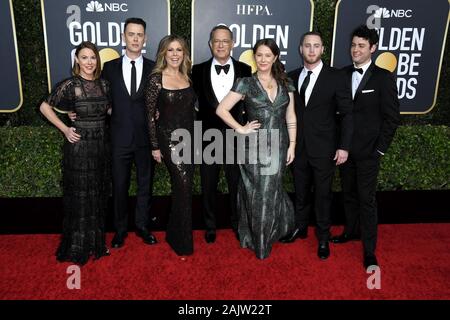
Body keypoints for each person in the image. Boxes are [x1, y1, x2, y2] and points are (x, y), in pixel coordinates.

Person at [216, 38, 296, 259]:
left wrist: (293, 145)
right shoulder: (245, 83)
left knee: (271, 190)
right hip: (254, 147)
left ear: (275, 58)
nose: (263, 59)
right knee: (257, 192)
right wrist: (240, 128)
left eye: (267, 55)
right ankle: (259, 241)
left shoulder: (286, 83)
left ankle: (269, 233)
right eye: (259, 55)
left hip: (279, 146)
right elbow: (222, 110)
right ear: (255, 56)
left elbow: (291, 116)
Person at [330, 25, 400, 269]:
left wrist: (379, 150)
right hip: (344, 151)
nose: (355, 50)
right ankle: (351, 231)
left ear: (373, 48)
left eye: (361, 46)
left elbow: (392, 118)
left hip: (369, 153)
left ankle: (369, 250)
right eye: (353, 45)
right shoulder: (341, 74)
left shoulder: (383, 78)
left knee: (366, 199)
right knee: (348, 194)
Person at [280, 32, 353, 261]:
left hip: (325, 149)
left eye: (316, 46)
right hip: (298, 147)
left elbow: (348, 114)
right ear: (300, 49)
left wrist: (344, 146)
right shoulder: (290, 77)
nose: (311, 50)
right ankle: (300, 228)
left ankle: (323, 236)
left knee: (323, 195)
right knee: (300, 192)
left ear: (322, 49)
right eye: (307, 46)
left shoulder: (337, 76)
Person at [40, 41, 111, 265]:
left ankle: (95, 241)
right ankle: (77, 245)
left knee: (96, 194)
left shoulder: (104, 85)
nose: (89, 62)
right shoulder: (71, 85)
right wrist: (64, 129)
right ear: (77, 60)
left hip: (100, 146)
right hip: (79, 147)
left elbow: (110, 110)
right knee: (80, 195)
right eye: (84, 57)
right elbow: (44, 106)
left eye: (92, 57)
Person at [192, 25, 252, 243]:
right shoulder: (196, 71)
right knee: (208, 185)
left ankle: (237, 224)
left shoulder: (246, 70)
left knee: (236, 184)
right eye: (216, 41)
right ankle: (210, 226)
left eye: (225, 41)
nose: (220, 45)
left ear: (232, 43)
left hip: (236, 137)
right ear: (210, 44)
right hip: (208, 138)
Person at [102, 17, 157, 248]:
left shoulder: (155, 67)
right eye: (131, 34)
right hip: (119, 139)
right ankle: (120, 230)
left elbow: (163, 99)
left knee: (146, 185)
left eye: (139, 34)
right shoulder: (109, 68)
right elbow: (102, 99)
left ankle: (143, 226)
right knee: (120, 186)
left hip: (146, 139)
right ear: (123, 37)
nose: (135, 38)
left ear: (145, 39)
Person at [145, 35, 197, 256]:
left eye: (179, 50)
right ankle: (181, 241)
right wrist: (155, 146)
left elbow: (190, 110)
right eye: (170, 50)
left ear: (184, 53)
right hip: (169, 140)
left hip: (190, 139)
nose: (175, 54)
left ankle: (174, 232)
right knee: (183, 186)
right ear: (163, 54)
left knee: (184, 189)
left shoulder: (187, 77)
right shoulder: (156, 79)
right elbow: (149, 115)